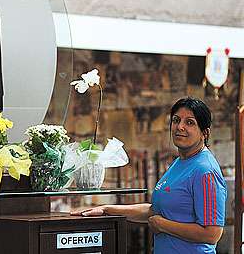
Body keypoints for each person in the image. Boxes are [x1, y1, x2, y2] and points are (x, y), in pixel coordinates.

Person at [72, 97, 227, 253]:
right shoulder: (180, 163)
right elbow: (155, 211)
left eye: (190, 122)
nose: (180, 127)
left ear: (204, 133)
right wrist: (106, 209)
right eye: (176, 120)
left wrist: (163, 225)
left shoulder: (205, 170)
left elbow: (212, 233)